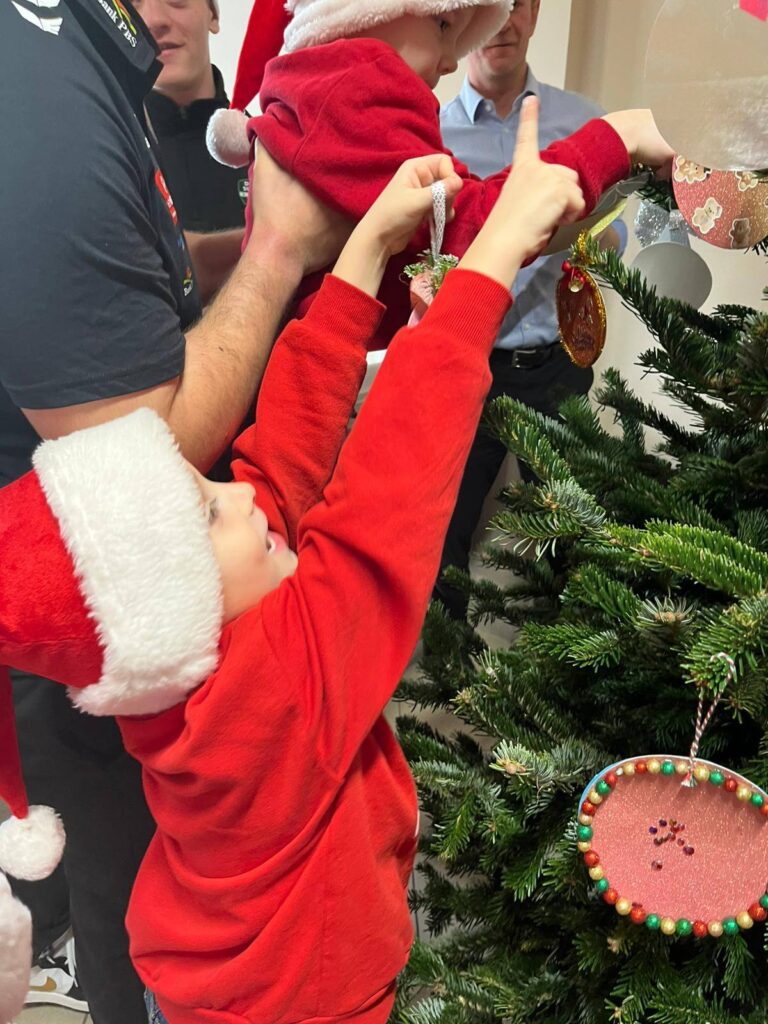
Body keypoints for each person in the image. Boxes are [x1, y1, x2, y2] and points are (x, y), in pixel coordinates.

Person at [0, 100, 585, 1024]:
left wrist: (361, 256)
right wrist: (494, 256)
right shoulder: (277, 686)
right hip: (308, 1004)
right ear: (173, 602)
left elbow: (277, 461)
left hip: (200, 982)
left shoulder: (186, 664)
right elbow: (388, 494)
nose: (238, 496)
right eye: (209, 510)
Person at [0, 0, 345, 1019]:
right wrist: (279, 252)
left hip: (123, 631)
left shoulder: (78, 56)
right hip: (96, 645)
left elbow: (136, 276)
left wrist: (286, 253)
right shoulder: (40, 82)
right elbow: (142, 456)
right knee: (131, 903)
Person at [207, 0, 674, 347]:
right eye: (444, 24)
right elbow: (471, 225)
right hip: (347, 392)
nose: (450, 60)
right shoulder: (362, 84)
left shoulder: (308, 89)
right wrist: (620, 135)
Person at [435, 0, 627, 619]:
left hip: (559, 364)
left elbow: (622, 219)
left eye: (517, 3)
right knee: (445, 528)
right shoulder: (432, 139)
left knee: (571, 528)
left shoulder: (585, 124)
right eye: (487, 5)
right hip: (467, 368)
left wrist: (600, 238)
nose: (503, 21)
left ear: (536, 11)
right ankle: (450, 657)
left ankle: (568, 651)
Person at [140, 0, 249, 305]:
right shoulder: (110, 158)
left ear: (212, 14)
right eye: (133, 3)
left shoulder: (270, 147)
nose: (154, 21)